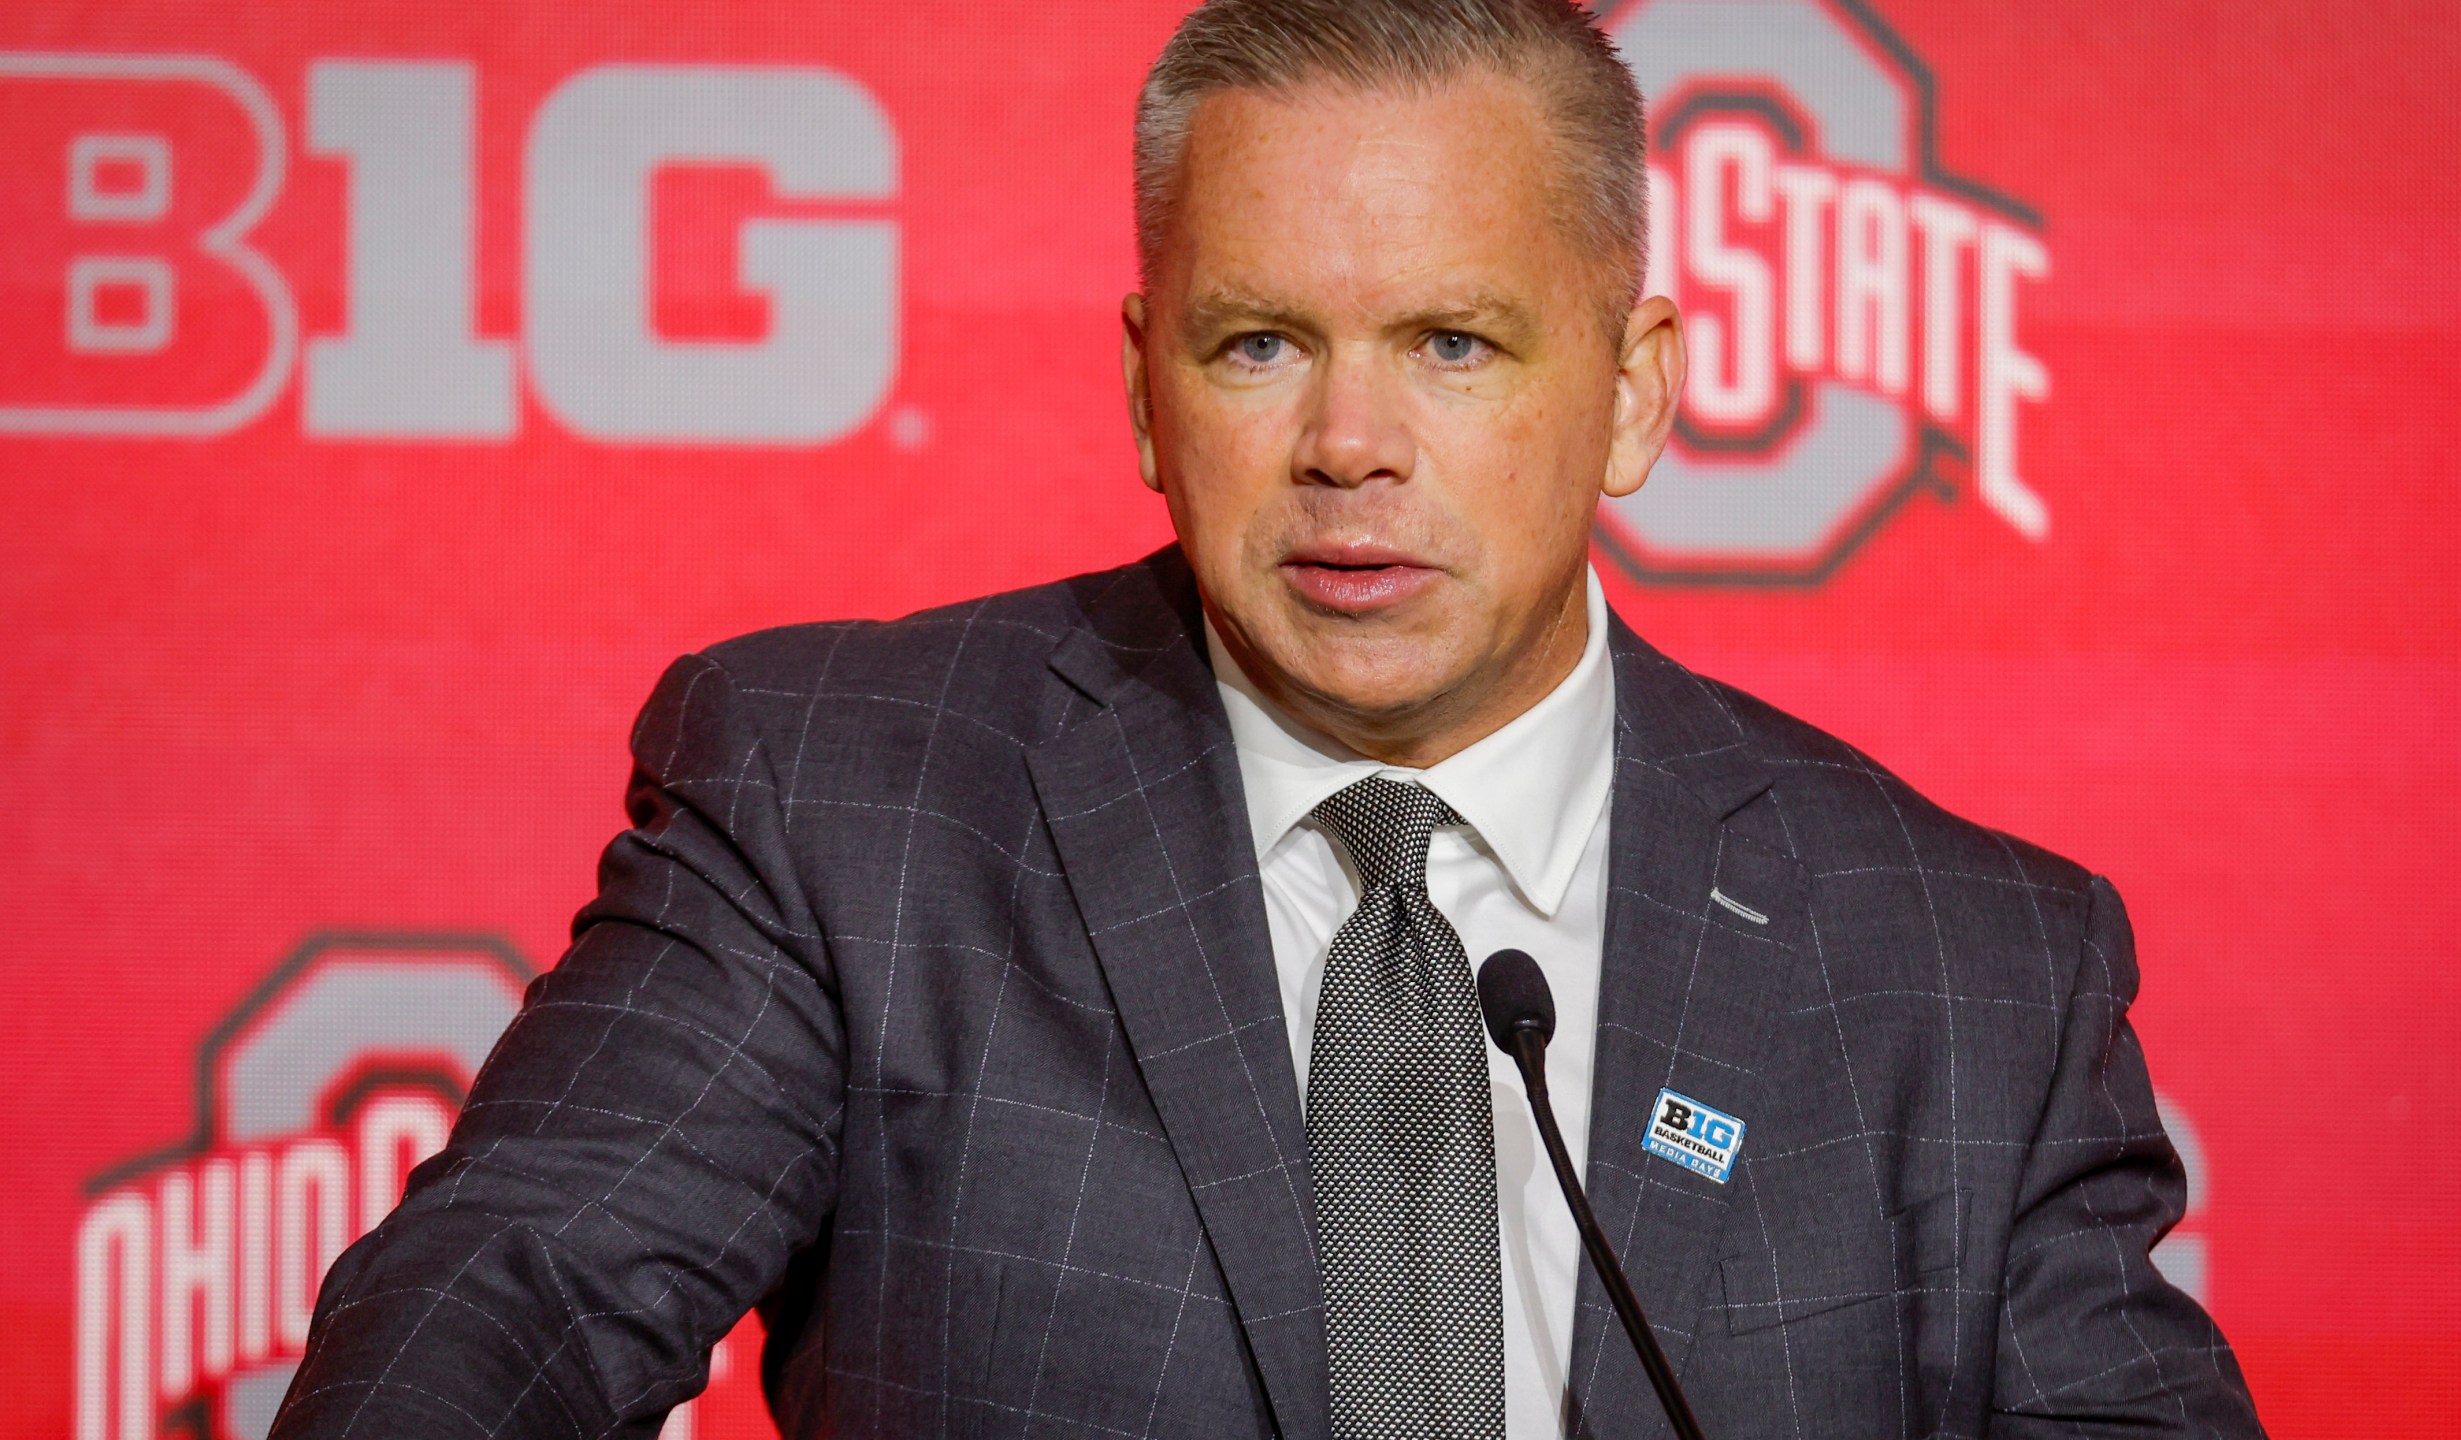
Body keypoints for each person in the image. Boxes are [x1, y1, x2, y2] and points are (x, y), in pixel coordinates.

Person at [275, 1, 2263, 1436]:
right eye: (1257, 345)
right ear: (1145, 386)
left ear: (1638, 390)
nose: (1344, 447)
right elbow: (503, 1302)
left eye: (1451, 344)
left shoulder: (1966, 962)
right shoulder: (841, 809)